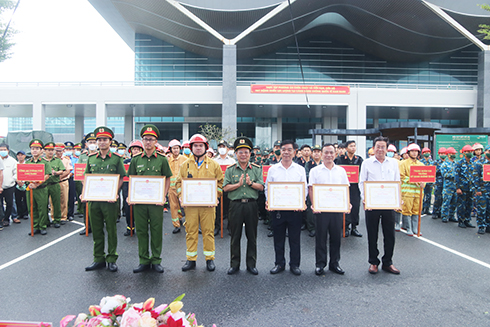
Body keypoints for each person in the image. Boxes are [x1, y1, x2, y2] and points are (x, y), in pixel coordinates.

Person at [128, 124, 172, 273]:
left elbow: (167, 179)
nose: (148, 142)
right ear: (142, 141)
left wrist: (164, 195)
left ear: (155, 141)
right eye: (145, 139)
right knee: (141, 230)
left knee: (156, 230)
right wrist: (130, 196)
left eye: (151, 139)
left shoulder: (162, 159)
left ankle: (156, 260)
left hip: (156, 202)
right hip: (140, 202)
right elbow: (131, 179)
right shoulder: (135, 160)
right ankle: (143, 260)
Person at [176, 134, 224, 272]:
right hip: (190, 206)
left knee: (208, 232)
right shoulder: (185, 165)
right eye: (195, 146)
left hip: (208, 206)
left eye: (200, 146)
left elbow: (220, 182)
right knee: (190, 232)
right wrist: (181, 196)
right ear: (191, 148)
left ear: (205, 147)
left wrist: (215, 196)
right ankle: (191, 259)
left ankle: (210, 259)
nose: (198, 148)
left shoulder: (214, 164)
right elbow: (179, 182)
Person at [83, 127, 126, 272]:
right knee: (96, 230)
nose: (102, 142)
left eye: (105, 140)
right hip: (94, 201)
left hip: (110, 201)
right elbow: (86, 178)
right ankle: (98, 258)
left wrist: (115, 192)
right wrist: (84, 193)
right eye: (99, 140)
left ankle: (112, 258)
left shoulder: (116, 159)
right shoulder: (91, 158)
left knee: (111, 229)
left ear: (110, 141)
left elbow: (121, 177)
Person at [359, 136, 401, 275]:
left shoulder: (394, 163)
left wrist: (397, 200)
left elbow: (397, 182)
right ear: (373, 148)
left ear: (387, 148)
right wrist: (365, 200)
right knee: (372, 234)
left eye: (383, 147)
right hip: (372, 204)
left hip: (389, 204)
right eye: (378, 146)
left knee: (390, 234)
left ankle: (388, 262)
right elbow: (362, 182)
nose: (380, 149)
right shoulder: (367, 163)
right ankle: (373, 262)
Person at [265, 140, 307, 276]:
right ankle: (279, 263)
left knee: (295, 239)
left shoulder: (300, 169)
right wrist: (269, 201)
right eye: (284, 149)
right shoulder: (273, 169)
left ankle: (294, 264)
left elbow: (304, 188)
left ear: (294, 152)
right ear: (280, 151)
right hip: (277, 210)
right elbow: (267, 187)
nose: (286, 152)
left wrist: (301, 202)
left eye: (289, 149)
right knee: (278, 238)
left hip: (295, 210)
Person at [223, 137, 264, 275]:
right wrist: (238, 185)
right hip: (235, 206)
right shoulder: (230, 170)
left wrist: (251, 184)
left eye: (246, 152)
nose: (243, 155)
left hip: (251, 206)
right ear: (235, 154)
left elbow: (261, 187)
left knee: (252, 236)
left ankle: (251, 264)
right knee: (235, 236)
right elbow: (225, 188)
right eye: (240, 152)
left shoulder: (257, 169)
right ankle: (234, 264)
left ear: (250, 154)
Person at [309, 143, 350, 276]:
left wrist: (347, 204)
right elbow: (311, 189)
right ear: (321, 154)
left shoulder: (341, 171)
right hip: (321, 210)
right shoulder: (315, 171)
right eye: (326, 152)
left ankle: (334, 263)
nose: (329, 155)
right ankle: (320, 264)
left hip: (337, 209)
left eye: (331, 152)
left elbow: (346, 188)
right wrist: (314, 205)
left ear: (335, 154)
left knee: (336, 238)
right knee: (320, 237)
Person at [334, 140, 363, 237]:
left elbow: (362, 173)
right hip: (344, 188)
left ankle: (354, 227)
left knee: (355, 207)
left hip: (355, 187)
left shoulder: (359, 159)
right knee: (345, 207)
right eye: (351, 146)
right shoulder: (340, 159)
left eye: (354, 146)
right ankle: (345, 227)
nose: (353, 148)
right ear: (346, 148)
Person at [24, 139, 52, 236]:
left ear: (41, 151)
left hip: (41, 189)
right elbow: (24, 175)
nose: (34, 150)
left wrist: (38, 183)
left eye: (37, 148)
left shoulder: (45, 162)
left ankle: (42, 226)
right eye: (32, 148)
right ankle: (35, 226)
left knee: (42, 208)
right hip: (30, 189)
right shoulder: (27, 162)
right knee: (32, 208)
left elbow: (47, 175)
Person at [399, 143, 425, 236]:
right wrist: (413, 180)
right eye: (412, 151)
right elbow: (401, 176)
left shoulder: (421, 164)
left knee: (417, 210)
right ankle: (408, 228)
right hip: (407, 192)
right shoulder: (403, 163)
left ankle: (415, 228)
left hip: (418, 192)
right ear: (408, 152)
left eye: (416, 151)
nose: (414, 153)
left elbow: (425, 177)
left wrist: (423, 183)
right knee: (407, 210)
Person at [122, 140, 143, 236]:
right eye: (134, 149)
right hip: (127, 184)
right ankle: (130, 227)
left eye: (138, 149)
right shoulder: (126, 162)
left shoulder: (143, 161)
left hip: (140, 186)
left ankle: (140, 226)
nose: (136, 151)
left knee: (139, 207)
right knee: (128, 206)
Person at [78, 133, 97, 235]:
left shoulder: (99, 155)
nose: (92, 144)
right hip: (85, 184)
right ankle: (87, 226)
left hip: (97, 185)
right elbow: (79, 171)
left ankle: (97, 226)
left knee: (97, 206)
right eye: (90, 142)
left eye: (94, 142)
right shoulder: (83, 156)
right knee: (86, 206)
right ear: (86, 144)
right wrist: (84, 183)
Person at [43, 142, 65, 228]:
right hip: (44, 185)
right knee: (44, 204)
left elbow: (62, 171)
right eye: (48, 150)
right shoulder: (42, 161)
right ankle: (46, 221)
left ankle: (57, 220)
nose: (50, 152)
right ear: (44, 151)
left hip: (55, 184)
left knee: (56, 203)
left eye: (52, 150)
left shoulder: (57, 160)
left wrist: (55, 172)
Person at [167, 139, 187, 234]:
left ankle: (188, 224)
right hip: (171, 188)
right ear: (170, 149)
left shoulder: (184, 159)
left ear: (180, 149)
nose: (175, 150)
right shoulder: (167, 160)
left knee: (185, 206)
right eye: (173, 148)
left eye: (177, 148)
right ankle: (176, 225)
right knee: (173, 206)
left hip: (182, 188)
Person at [455, 145, 476, 229]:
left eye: (470, 152)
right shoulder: (459, 163)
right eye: (467, 152)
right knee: (461, 205)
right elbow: (456, 176)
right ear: (464, 153)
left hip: (470, 188)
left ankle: (467, 220)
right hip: (462, 188)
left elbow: (474, 176)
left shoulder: (473, 163)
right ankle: (461, 221)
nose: (469, 153)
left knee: (469, 205)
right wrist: (458, 188)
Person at [0, 143, 17, 226]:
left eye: (4, 150)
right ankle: (1, 218)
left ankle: (6, 219)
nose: (3, 151)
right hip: (0, 186)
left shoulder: (13, 161)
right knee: (0, 205)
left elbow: (16, 173)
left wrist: (11, 180)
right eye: (1, 150)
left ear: (8, 151)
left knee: (9, 203)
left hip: (9, 186)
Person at [440, 147, 459, 223]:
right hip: (448, 187)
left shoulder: (456, 164)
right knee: (446, 202)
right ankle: (444, 216)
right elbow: (444, 174)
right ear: (448, 155)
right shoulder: (444, 164)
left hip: (455, 186)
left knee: (454, 202)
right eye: (452, 154)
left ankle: (451, 216)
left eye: (454, 154)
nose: (453, 155)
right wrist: (453, 173)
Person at [55, 143, 73, 223]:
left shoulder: (66, 159)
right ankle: (54, 217)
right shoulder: (52, 159)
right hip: (54, 182)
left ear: (63, 151)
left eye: (60, 151)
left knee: (64, 200)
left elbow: (68, 170)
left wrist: (60, 177)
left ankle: (63, 217)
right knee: (53, 200)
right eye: (57, 151)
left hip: (63, 181)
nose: (58, 152)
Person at [431, 147, 447, 219]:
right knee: (438, 198)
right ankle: (435, 212)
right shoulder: (436, 162)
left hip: (446, 183)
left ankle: (441, 212)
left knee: (444, 199)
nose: (442, 155)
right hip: (438, 183)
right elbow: (434, 172)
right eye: (441, 153)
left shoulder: (447, 163)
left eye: (444, 153)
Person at [15, 150, 28, 221]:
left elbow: (28, 173)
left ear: (24, 156)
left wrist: (23, 182)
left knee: (25, 199)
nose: (20, 156)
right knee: (18, 199)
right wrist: (18, 181)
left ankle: (25, 213)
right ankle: (19, 213)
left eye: (22, 155)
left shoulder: (27, 164)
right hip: (17, 183)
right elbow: (13, 173)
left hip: (25, 183)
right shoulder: (15, 164)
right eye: (19, 155)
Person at [420, 147, 434, 215]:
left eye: (428, 152)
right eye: (425, 152)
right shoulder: (421, 162)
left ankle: (427, 209)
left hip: (430, 182)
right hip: (423, 182)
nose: (427, 154)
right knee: (422, 196)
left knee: (429, 196)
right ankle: (421, 209)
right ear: (423, 154)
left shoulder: (432, 162)